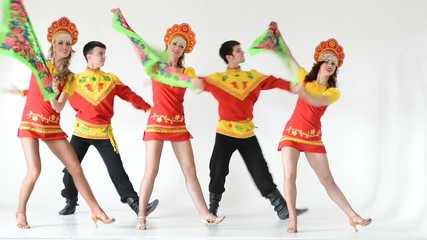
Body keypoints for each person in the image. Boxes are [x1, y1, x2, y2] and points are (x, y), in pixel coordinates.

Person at [110, 8, 225, 230]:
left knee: (190, 170)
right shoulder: (155, 66)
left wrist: (200, 85)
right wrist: (122, 21)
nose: (177, 47)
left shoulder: (187, 71)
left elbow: (198, 86)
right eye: (175, 43)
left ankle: (205, 214)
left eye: (182, 45)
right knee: (151, 170)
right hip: (156, 123)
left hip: (178, 124)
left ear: (185, 50)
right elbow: (137, 43)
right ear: (168, 44)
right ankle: (141, 215)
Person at [12, 17, 114, 229]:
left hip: (52, 126)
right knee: (34, 170)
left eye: (68, 43)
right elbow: (23, 45)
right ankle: (20, 212)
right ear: (53, 44)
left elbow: (58, 107)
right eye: (61, 42)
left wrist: (51, 94)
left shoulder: (70, 77)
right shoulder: (40, 65)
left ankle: (96, 210)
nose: (65, 47)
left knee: (75, 167)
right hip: (30, 123)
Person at [195, 40, 307, 220]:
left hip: (247, 133)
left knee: (260, 169)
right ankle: (212, 210)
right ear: (229, 57)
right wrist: (167, 76)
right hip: (225, 132)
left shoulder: (252, 77)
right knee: (217, 169)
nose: (242, 53)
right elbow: (191, 81)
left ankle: (282, 208)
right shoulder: (216, 80)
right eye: (238, 51)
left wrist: (297, 87)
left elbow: (275, 81)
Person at [278, 38, 372, 232]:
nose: (330, 65)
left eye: (334, 63)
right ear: (319, 63)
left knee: (327, 180)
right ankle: (293, 220)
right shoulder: (304, 77)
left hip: (312, 137)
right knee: (289, 175)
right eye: (327, 61)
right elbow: (288, 57)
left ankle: (353, 216)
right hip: (291, 134)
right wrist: (277, 35)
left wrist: (302, 91)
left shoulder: (332, 92)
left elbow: (317, 100)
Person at [58, 41, 159, 216]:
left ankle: (135, 203)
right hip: (80, 132)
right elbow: (55, 94)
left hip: (104, 133)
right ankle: (71, 201)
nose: (104, 57)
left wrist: (147, 107)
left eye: (104, 53)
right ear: (89, 56)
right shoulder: (73, 80)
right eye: (100, 53)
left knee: (116, 170)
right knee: (69, 168)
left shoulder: (111, 79)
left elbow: (128, 94)